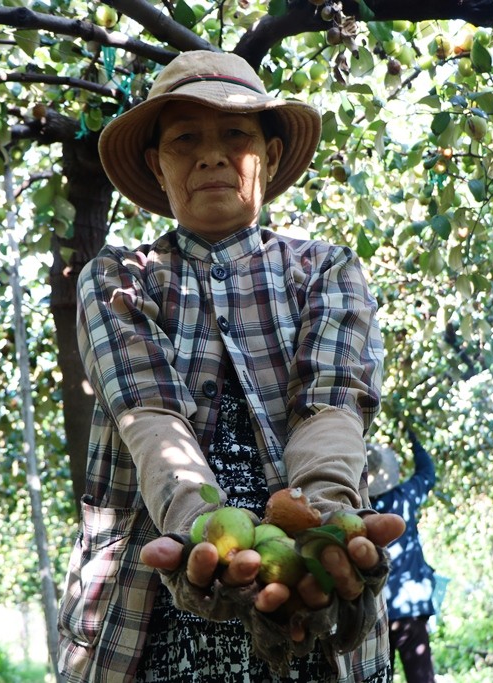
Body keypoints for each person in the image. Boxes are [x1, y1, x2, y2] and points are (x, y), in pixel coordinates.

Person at [55, 50, 405, 683]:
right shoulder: (118, 278)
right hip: (148, 611)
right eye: (185, 138)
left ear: (269, 159)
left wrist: (322, 517)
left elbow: (331, 406)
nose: (210, 155)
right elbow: (150, 417)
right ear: (157, 167)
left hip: (308, 612)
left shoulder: (325, 270)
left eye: (235, 136)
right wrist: (200, 532)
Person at [366, 431, 440, 683]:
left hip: (375, 610)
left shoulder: (357, 512)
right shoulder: (405, 498)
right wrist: (415, 441)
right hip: (410, 606)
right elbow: (427, 474)